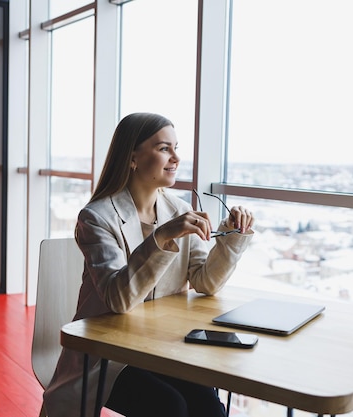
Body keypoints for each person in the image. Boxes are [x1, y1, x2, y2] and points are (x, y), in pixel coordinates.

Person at [43, 112, 255, 417]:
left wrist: (233, 237)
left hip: (160, 347)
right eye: (164, 148)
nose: (176, 158)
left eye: (176, 148)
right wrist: (161, 236)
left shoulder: (179, 209)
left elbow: (205, 281)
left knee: (208, 405)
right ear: (133, 158)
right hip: (109, 353)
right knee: (169, 406)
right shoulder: (97, 217)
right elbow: (119, 299)